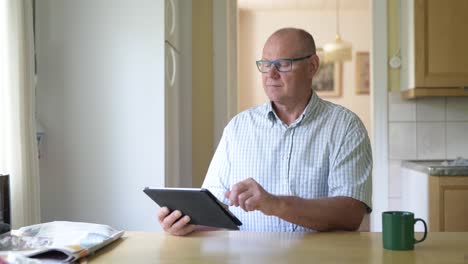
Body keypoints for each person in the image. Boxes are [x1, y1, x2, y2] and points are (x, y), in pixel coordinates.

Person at [158, 27, 372, 236]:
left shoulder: (346, 127)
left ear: (312, 65)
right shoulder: (237, 128)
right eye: (266, 64)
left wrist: (275, 204)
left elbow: (350, 214)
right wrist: (189, 222)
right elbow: (217, 206)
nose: (271, 73)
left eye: (283, 64)